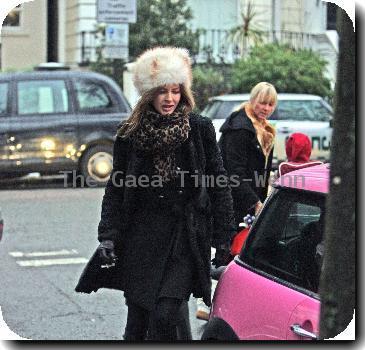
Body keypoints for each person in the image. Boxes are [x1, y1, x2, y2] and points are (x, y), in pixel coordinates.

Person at [75, 46, 236, 341]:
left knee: (164, 314)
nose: (170, 99)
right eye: (163, 91)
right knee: (137, 320)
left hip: (184, 239)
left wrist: (225, 237)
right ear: (149, 93)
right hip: (142, 237)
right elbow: (116, 188)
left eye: (176, 91)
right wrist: (108, 235)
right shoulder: (130, 133)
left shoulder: (199, 129)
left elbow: (218, 181)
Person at [219, 82, 277, 226]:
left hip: (248, 200)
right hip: (234, 202)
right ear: (252, 100)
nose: (266, 108)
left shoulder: (265, 129)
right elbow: (234, 173)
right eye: (262, 103)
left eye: (271, 104)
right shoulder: (240, 128)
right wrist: (255, 202)